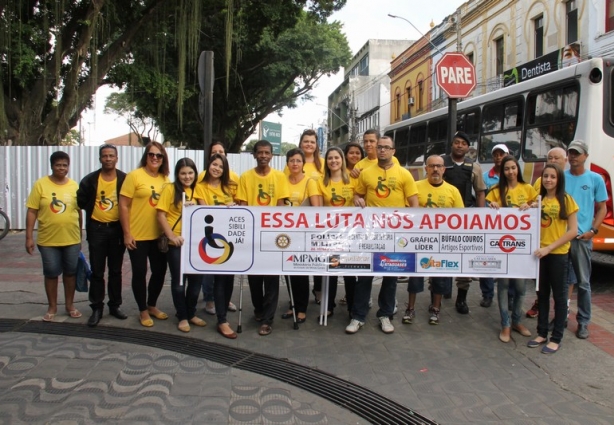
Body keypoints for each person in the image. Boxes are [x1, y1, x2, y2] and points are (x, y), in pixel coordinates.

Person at [349, 136, 418, 335]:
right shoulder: (366, 173)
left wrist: (410, 229)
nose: (382, 151)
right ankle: (358, 316)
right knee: (365, 275)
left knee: (390, 276)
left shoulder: (404, 174)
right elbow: (357, 194)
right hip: (370, 232)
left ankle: (385, 315)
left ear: (393, 151)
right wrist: (357, 200)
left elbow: (414, 203)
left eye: (386, 148)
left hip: (395, 234)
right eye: (379, 147)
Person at [236, 140, 290, 336]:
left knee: (272, 278)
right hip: (252, 235)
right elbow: (242, 206)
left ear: (272, 155)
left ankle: (268, 319)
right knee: (254, 278)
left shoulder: (279, 177)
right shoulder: (245, 177)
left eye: (267, 152)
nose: (264, 156)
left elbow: (282, 206)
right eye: (260, 152)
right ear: (255, 155)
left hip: (272, 236)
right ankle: (258, 309)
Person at [404, 155, 463, 325]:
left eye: (439, 166)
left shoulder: (453, 191)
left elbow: (461, 218)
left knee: (439, 277)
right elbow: (406, 212)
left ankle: (436, 308)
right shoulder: (415, 187)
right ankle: (411, 308)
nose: (435, 169)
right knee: (414, 275)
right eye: (432, 166)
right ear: (426, 169)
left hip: (441, 242)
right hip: (418, 240)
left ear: (444, 169)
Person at [25, 151, 82, 322]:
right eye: (58, 165)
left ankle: (70, 305)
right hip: (48, 240)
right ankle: (52, 307)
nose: (61, 168)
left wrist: (79, 234)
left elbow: (78, 212)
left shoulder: (73, 186)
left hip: (71, 239)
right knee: (51, 273)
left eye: (65, 165)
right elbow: (32, 211)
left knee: (70, 273)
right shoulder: (40, 185)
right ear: (52, 166)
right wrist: (28, 237)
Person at [486, 155, 537, 343]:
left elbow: (539, 206)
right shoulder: (495, 190)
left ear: (518, 169)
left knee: (521, 287)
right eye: (507, 169)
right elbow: (485, 210)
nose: (510, 172)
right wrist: (491, 205)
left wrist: (531, 205)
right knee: (504, 285)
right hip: (501, 245)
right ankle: (505, 324)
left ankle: (517, 320)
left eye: (513, 168)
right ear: (502, 171)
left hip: (522, 246)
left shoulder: (528, 189)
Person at [119, 141, 170, 327]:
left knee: (160, 272)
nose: (155, 158)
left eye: (159, 155)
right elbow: (123, 205)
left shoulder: (165, 178)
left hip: (159, 236)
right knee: (140, 272)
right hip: (138, 236)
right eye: (151, 154)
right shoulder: (134, 176)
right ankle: (142, 310)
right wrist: (126, 233)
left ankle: (151, 305)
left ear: (163, 158)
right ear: (146, 156)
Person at [530, 164, 578, 354]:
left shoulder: (566, 200)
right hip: (540, 256)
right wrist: (528, 207)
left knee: (559, 298)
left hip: (558, 255)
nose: (549, 180)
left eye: (553, 177)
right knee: (542, 295)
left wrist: (549, 247)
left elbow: (573, 231)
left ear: (559, 180)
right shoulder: (538, 199)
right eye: (546, 176)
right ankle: (541, 333)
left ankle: (556, 338)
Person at [77, 144, 127, 327]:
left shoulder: (124, 179)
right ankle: (96, 307)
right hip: (97, 229)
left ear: (117, 158)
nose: (108, 159)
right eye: (104, 156)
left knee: (116, 270)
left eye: (111, 156)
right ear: (100, 158)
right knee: (97, 271)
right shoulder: (90, 180)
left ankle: (115, 305)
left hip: (117, 230)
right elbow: (81, 201)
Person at [156, 158, 207, 333]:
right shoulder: (170, 189)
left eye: (190, 173)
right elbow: (160, 215)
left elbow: (206, 212)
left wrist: (195, 206)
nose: (187, 177)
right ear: (177, 174)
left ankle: (191, 312)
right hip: (177, 243)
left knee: (196, 281)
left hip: (195, 243)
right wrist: (172, 236)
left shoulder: (198, 189)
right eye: (183, 173)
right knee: (179, 281)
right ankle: (182, 316)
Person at [564, 140, 607, 339]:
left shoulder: (595, 179)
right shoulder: (561, 177)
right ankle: (560, 317)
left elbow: (602, 208)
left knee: (583, 282)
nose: (573, 157)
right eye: (571, 153)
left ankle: (583, 322)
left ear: (585, 156)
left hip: (582, 238)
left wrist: (593, 230)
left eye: (577, 154)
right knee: (562, 282)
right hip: (562, 238)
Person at [441, 131, 487, 314]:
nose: (459, 146)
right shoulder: (442, 163)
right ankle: (439, 293)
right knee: (440, 256)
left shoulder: (474, 167)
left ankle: (461, 298)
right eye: (456, 142)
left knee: (464, 260)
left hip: (466, 217)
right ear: (452, 144)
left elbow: (481, 192)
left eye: (463, 143)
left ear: (468, 148)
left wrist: (481, 217)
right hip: (443, 218)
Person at [196, 153, 239, 338]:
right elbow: (204, 210)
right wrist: (224, 208)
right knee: (219, 279)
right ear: (209, 165)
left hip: (230, 238)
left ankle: (223, 310)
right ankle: (221, 320)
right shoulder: (200, 187)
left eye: (221, 167)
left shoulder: (230, 187)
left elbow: (239, 206)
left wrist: (234, 205)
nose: (217, 169)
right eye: (214, 164)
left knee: (229, 278)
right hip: (210, 239)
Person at [526, 146, 568, 319]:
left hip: (560, 247)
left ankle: (561, 319)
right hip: (540, 248)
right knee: (542, 290)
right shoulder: (539, 183)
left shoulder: (566, 193)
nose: (552, 161)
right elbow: (533, 204)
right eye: (549, 158)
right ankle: (542, 328)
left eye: (556, 158)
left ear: (565, 160)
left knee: (562, 289)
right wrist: (529, 206)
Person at [281, 148, 321, 324]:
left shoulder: (309, 182)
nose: (295, 164)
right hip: (285, 233)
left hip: (303, 233)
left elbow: (316, 209)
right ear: (287, 163)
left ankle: (302, 308)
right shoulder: (282, 180)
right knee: (287, 271)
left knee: (300, 271)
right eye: (292, 161)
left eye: (298, 161)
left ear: (303, 163)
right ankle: (292, 304)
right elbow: (278, 205)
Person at [315, 147, 354, 319]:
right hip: (330, 233)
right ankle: (328, 306)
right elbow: (318, 208)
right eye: (330, 158)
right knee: (330, 270)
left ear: (342, 160)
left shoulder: (353, 180)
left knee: (350, 271)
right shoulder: (320, 182)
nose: (333, 161)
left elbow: (361, 198)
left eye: (336, 158)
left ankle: (352, 306)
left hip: (350, 232)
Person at [479, 143, 510, 308]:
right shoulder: (485, 177)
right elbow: (481, 199)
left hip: (509, 229)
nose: (499, 157)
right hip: (489, 226)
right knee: (487, 261)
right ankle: (487, 294)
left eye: (502, 154)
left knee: (509, 261)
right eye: (496, 154)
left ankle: (509, 297)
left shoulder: (514, 178)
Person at [339, 142, 365, 306]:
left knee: (360, 262)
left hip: (361, 224)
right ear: (345, 156)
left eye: (357, 153)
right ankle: (351, 299)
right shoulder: (340, 173)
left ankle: (359, 297)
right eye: (351, 153)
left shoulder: (365, 172)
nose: (354, 156)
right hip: (342, 224)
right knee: (346, 263)